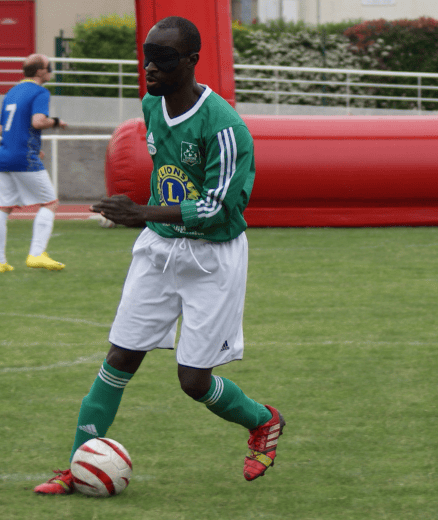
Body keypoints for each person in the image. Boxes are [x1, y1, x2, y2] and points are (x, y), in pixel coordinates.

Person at [33, 16, 283, 495]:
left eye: (164, 59)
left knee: (193, 380)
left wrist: (140, 210)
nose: (151, 67)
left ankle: (263, 420)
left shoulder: (226, 127)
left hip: (213, 258)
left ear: (191, 61)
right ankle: (75, 467)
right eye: (147, 56)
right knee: (120, 356)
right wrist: (147, 219)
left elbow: (217, 207)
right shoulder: (151, 106)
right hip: (159, 249)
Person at [0, 53, 68, 273]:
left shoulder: (11, 92)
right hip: (23, 156)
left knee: (2, 208)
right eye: (49, 66)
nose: (51, 70)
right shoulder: (40, 91)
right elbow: (38, 121)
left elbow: (0, 129)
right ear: (40, 71)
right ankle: (36, 254)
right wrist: (56, 122)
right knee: (50, 202)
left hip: (4, 156)